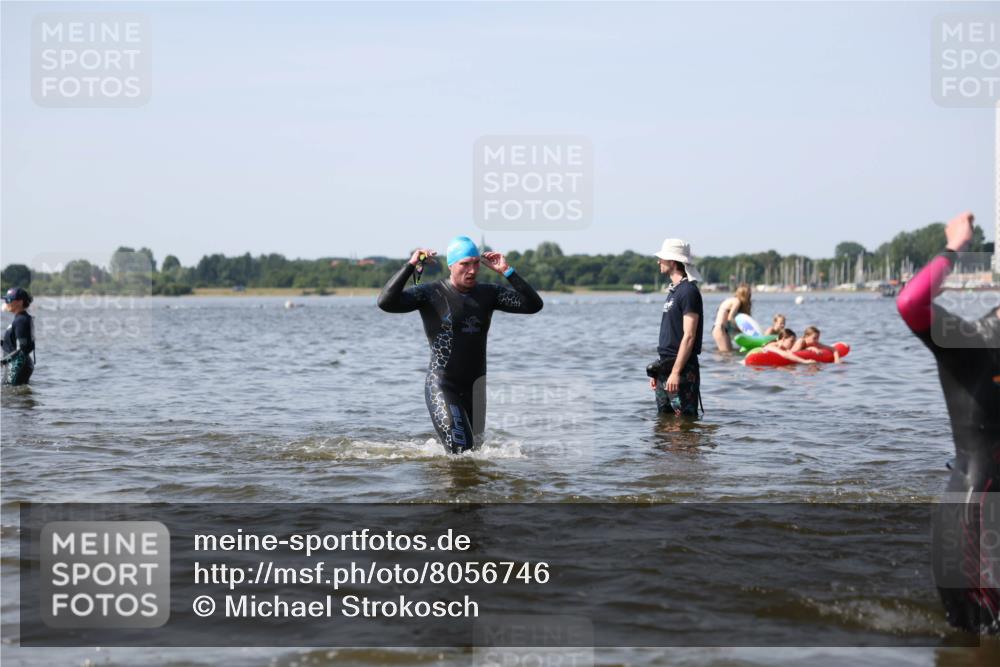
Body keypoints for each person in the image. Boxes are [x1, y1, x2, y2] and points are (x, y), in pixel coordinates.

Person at [896, 211, 999, 635]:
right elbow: (910, 302)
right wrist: (957, 247)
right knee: (977, 638)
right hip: (976, 519)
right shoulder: (973, 342)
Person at [377, 236, 543, 454]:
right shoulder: (430, 293)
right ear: (451, 265)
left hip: (476, 389)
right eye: (465, 264)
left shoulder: (489, 294)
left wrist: (507, 271)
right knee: (462, 452)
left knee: (474, 455)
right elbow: (386, 302)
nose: (472, 270)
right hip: (444, 385)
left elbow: (533, 305)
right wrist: (411, 266)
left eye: (476, 263)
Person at [649, 239, 704, 417]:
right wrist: (659, 372)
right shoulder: (675, 291)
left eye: (662, 258)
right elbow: (671, 335)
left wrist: (675, 372)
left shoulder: (688, 292)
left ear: (673, 262)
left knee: (684, 425)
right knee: (663, 423)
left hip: (682, 369)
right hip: (665, 367)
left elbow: (689, 336)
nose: (658, 261)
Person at [1, 287, 35, 386]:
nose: (6, 303)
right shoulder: (21, 318)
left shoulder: (21, 320)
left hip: (17, 365)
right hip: (18, 364)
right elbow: (12, 344)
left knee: (7, 391)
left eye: (9, 300)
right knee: (13, 393)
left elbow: (24, 349)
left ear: (20, 302)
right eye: (5, 300)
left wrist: (3, 361)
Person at [712, 283, 752, 352]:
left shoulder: (731, 300)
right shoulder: (737, 301)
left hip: (720, 328)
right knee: (726, 353)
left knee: (727, 352)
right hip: (720, 329)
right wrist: (743, 329)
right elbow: (730, 318)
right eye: (748, 295)